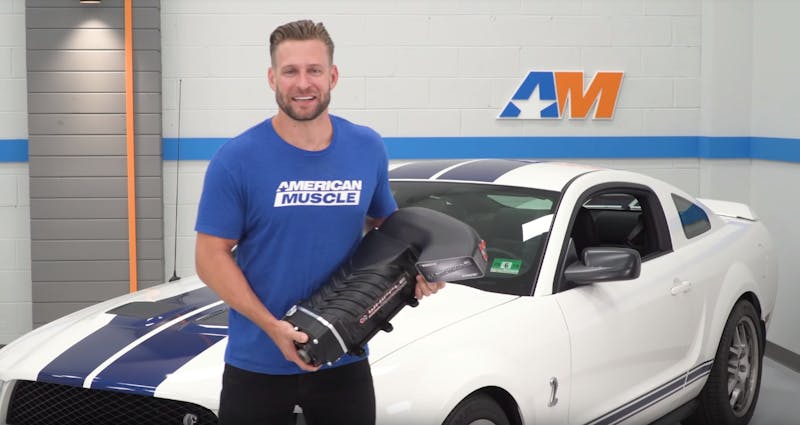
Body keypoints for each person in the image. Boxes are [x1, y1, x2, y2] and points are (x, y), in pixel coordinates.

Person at [194, 19, 445, 425]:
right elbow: (210, 257)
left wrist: (419, 272)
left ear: (333, 76)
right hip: (258, 360)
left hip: (344, 352)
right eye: (290, 71)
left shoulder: (366, 146)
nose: (303, 83)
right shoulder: (236, 159)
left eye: (314, 70)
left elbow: (390, 229)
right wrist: (272, 327)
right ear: (272, 78)